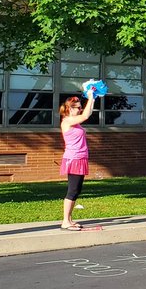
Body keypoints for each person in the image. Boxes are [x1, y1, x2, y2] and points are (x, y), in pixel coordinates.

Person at [58, 90, 98, 230]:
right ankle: (65, 221)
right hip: (73, 158)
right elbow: (86, 115)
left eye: (81, 107)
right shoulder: (67, 121)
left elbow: (89, 112)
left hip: (80, 158)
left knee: (77, 190)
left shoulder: (75, 122)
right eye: (78, 107)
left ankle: (69, 219)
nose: (80, 109)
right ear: (69, 108)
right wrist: (90, 96)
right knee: (73, 190)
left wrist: (93, 98)